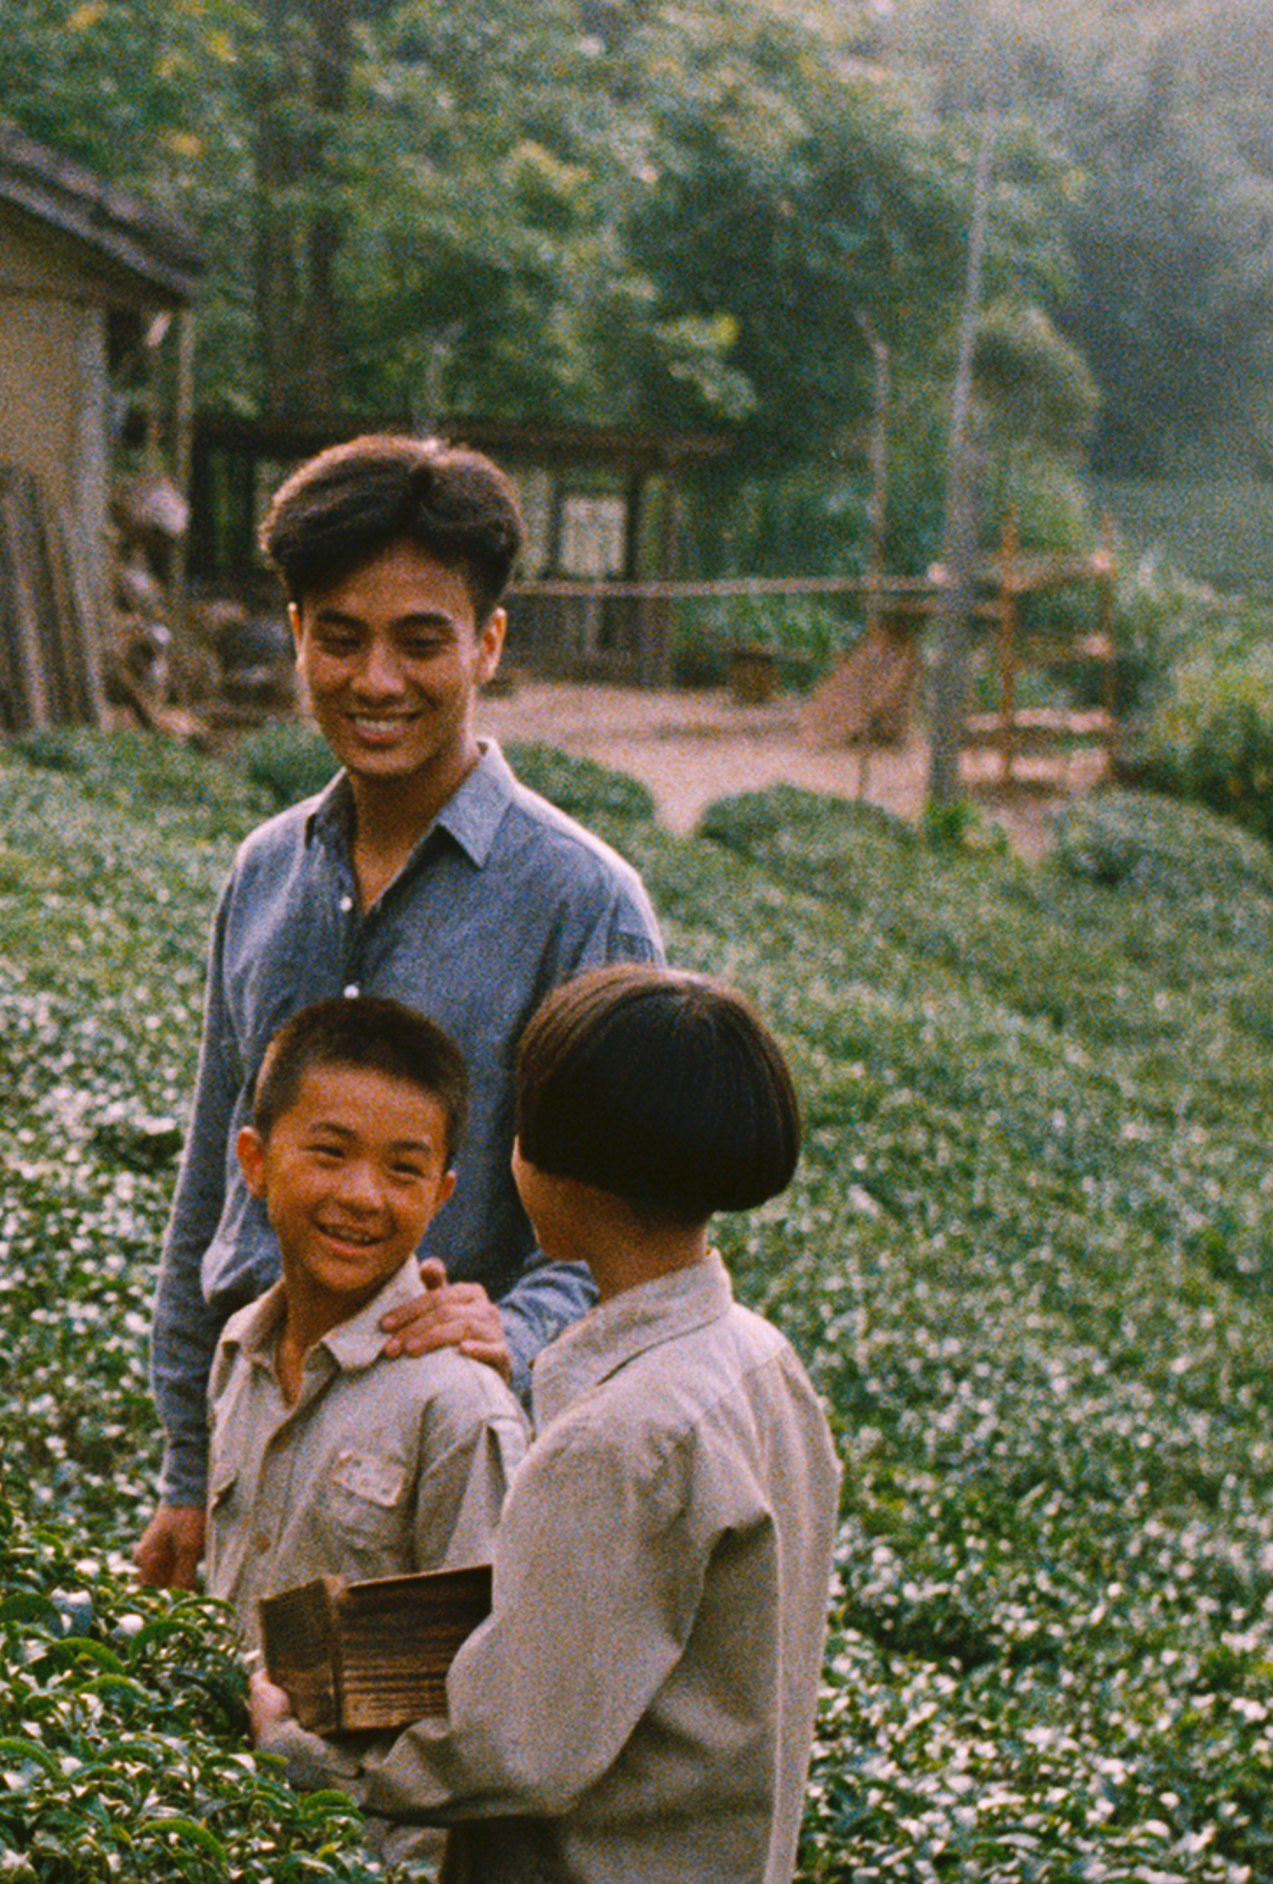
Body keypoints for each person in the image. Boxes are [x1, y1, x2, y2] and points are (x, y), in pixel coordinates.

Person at [134, 435, 663, 1591]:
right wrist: (184, 1467)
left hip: (446, 1459)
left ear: (486, 643)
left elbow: (630, 1231)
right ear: (296, 635)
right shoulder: (266, 872)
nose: (376, 681)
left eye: (420, 640)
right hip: (254, 1423)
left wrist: (511, 1337)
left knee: (387, 1753)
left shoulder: (579, 900)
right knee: (244, 1735)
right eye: (339, 637)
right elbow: (212, 1182)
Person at [248, 962, 839, 1883]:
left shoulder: (621, 1438)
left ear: (556, 1159)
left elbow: (514, 1746)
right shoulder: (760, 1361)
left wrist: (294, 1752)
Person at [200, 995, 528, 1870]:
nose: (361, 1196)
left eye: (402, 1169)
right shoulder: (238, 1353)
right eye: (331, 1153)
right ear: (255, 1161)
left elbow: (480, 1706)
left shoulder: (457, 1411)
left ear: (443, 1193)